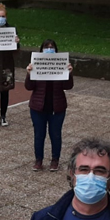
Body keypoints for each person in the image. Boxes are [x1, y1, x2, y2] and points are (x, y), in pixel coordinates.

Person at [25, 39, 74, 172]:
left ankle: (55, 160)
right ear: (41, 50)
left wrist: (69, 73)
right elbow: (29, 87)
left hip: (57, 107)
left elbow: (68, 86)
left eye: (52, 47)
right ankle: (38, 160)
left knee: (56, 134)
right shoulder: (36, 65)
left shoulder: (61, 64)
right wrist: (29, 73)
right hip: (38, 107)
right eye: (46, 47)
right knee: (39, 134)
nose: (49, 49)